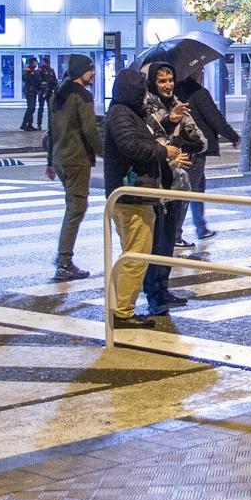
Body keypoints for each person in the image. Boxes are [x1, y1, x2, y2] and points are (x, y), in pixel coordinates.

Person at [101, 66, 187, 331]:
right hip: (132, 196)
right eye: (141, 90)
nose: (144, 95)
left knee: (133, 254)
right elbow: (132, 146)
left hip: (136, 193)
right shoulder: (121, 114)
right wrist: (164, 152)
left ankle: (120, 308)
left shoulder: (126, 112)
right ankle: (122, 312)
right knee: (136, 256)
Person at [139, 60, 207, 313]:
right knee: (155, 244)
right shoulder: (146, 107)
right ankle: (153, 294)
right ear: (153, 83)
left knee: (168, 242)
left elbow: (200, 142)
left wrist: (182, 143)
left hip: (178, 183)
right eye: (162, 81)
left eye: (170, 80)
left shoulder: (179, 104)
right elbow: (149, 142)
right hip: (156, 184)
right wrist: (169, 127)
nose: (167, 85)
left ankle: (163, 289)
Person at [44, 54, 100, 283]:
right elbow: (90, 131)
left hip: (60, 160)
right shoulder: (82, 96)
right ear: (80, 72)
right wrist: (107, 152)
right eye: (90, 69)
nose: (93, 73)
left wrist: (49, 161)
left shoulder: (57, 95)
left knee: (72, 208)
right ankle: (64, 262)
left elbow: (51, 131)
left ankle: (62, 258)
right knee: (76, 210)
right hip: (76, 159)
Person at [174, 63, 240, 244]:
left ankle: (201, 227)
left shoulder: (177, 92)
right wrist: (233, 136)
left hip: (185, 147)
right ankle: (176, 235)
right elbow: (214, 117)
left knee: (197, 189)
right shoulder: (198, 93)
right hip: (196, 148)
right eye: (199, 69)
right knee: (187, 192)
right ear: (191, 72)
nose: (202, 72)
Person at [20, 56, 43, 131]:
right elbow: (24, 78)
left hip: (34, 91)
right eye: (35, 62)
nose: (36, 63)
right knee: (30, 107)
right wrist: (31, 73)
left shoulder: (36, 71)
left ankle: (30, 124)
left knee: (32, 108)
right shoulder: (27, 69)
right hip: (29, 91)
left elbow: (39, 80)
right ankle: (24, 124)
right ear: (31, 63)